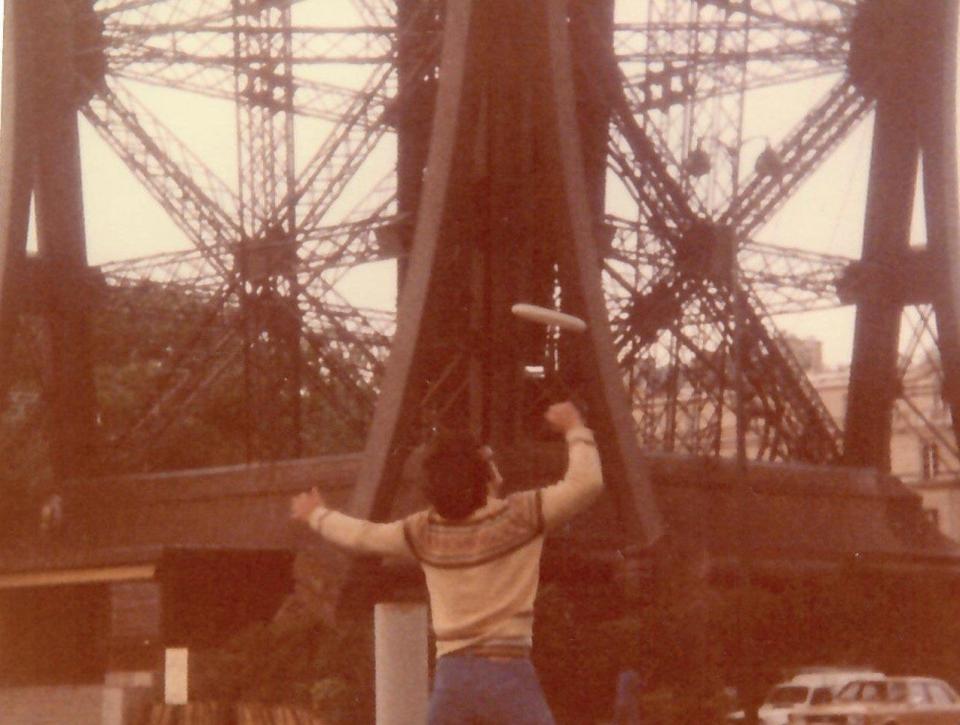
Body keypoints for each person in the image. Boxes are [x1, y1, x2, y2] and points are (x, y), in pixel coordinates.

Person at [290, 401, 603, 725]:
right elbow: (587, 484)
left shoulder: (425, 531)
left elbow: (362, 536)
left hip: (453, 678)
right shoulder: (523, 516)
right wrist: (575, 428)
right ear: (485, 476)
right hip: (509, 674)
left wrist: (317, 514)